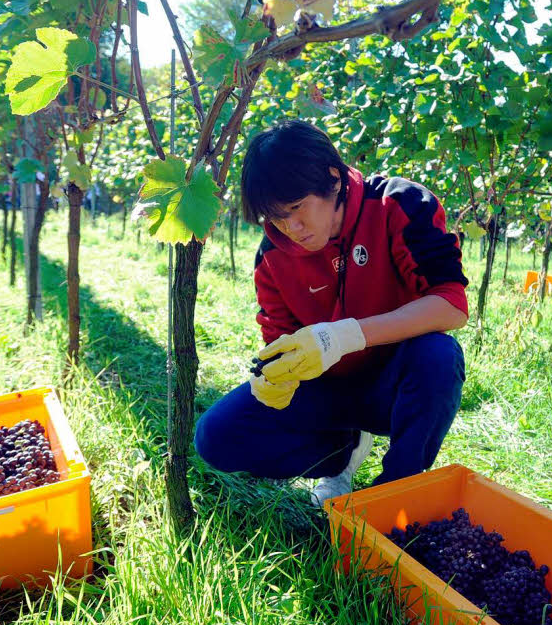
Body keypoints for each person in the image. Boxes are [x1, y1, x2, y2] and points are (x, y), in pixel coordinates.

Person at [194, 120, 469, 506]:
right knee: (216, 437)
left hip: (395, 385)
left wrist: (346, 335)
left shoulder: (398, 204)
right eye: (276, 217)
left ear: (333, 179)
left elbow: (451, 303)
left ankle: (395, 490)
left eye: (296, 207)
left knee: (439, 356)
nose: (291, 227)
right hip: (330, 390)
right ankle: (339, 455)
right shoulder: (272, 257)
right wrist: (274, 375)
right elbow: (280, 339)